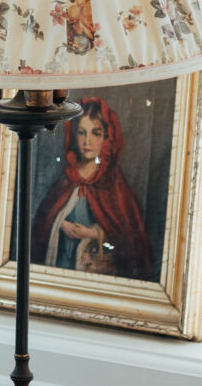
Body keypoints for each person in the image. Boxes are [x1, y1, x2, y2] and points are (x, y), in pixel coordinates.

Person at [29, 97, 153, 280]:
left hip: (93, 270)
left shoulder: (113, 181)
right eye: (81, 133)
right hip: (61, 262)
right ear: (74, 135)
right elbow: (44, 221)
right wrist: (60, 224)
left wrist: (93, 233)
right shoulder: (67, 179)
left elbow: (129, 237)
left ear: (106, 138)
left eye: (95, 133)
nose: (87, 141)